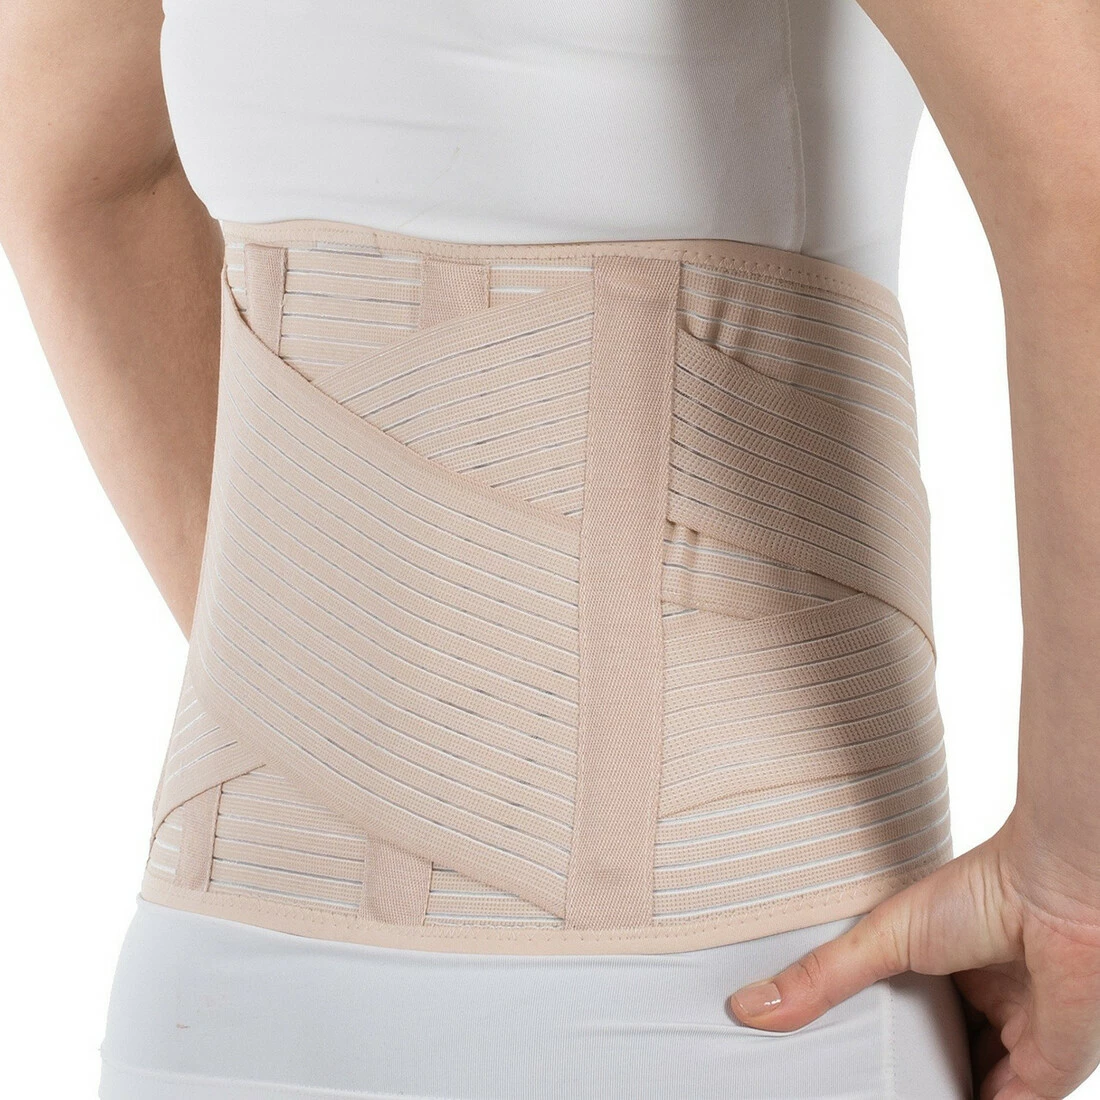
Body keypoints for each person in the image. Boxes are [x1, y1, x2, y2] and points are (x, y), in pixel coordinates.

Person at [1, 1, 1098, 1098]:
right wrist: (1076, 888)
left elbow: (79, 173)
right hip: (725, 987)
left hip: (223, 996)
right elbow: (1074, 179)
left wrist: (353, 712)